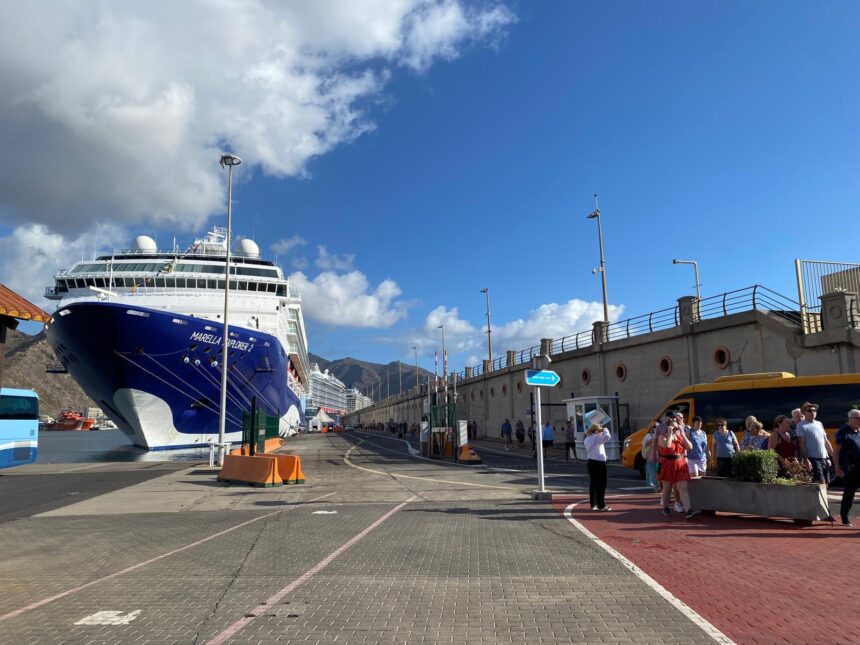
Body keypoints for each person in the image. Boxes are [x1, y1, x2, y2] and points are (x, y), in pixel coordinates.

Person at [657, 415, 697, 519]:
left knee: (683, 488)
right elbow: (668, 445)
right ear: (668, 427)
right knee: (667, 489)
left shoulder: (680, 437)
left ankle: (688, 510)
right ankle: (665, 507)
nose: (675, 429)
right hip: (667, 464)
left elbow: (690, 447)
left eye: (676, 427)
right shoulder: (662, 437)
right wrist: (670, 433)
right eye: (673, 427)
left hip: (680, 464)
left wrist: (682, 434)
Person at [797, 401, 835, 486]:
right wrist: (806, 460)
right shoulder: (801, 425)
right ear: (804, 413)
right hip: (813, 458)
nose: (813, 412)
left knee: (826, 483)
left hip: (823, 458)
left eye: (814, 410)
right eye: (810, 410)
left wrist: (830, 457)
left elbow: (825, 441)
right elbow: (801, 444)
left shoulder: (819, 424)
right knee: (820, 482)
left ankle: (824, 500)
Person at [834, 409, 860, 526]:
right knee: (849, 494)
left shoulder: (859, 431)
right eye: (857, 418)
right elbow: (836, 451)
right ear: (850, 419)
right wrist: (837, 467)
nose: (859, 421)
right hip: (849, 468)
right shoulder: (843, 431)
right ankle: (845, 518)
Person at [585, 423, 612, 511]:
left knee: (593, 484)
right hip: (599, 463)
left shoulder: (587, 439)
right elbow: (608, 436)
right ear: (597, 431)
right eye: (600, 430)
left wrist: (599, 432)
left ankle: (593, 504)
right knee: (601, 484)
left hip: (591, 462)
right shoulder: (597, 438)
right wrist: (605, 429)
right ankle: (601, 505)